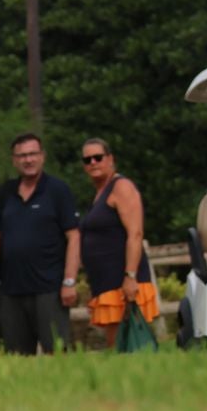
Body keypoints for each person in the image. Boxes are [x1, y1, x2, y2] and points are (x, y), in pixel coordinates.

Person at [0, 133, 80, 355]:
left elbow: (74, 236)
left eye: (33, 154)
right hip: (11, 289)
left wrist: (69, 280)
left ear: (42, 157)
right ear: (14, 160)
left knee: (57, 353)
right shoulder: (6, 193)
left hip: (49, 289)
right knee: (17, 358)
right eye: (22, 155)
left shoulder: (57, 190)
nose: (28, 160)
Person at [76, 138, 159, 348]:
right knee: (117, 348)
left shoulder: (121, 187)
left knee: (130, 345)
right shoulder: (99, 193)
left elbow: (136, 233)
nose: (93, 162)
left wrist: (130, 277)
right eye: (87, 159)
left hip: (123, 282)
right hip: (105, 283)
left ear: (110, 159)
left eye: (98, 157)